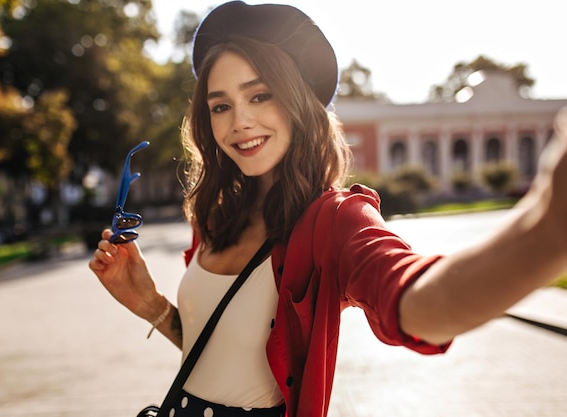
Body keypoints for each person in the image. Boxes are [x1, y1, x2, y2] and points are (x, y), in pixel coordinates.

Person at [89, 1, 567, 416]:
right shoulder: (216, 216)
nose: (241, 122)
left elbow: (418, 302)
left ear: (298, 102)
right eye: (220, 106)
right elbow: (216, 354)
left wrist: (546, 233)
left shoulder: (334, 220)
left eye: (260, 95)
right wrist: (151, 305)